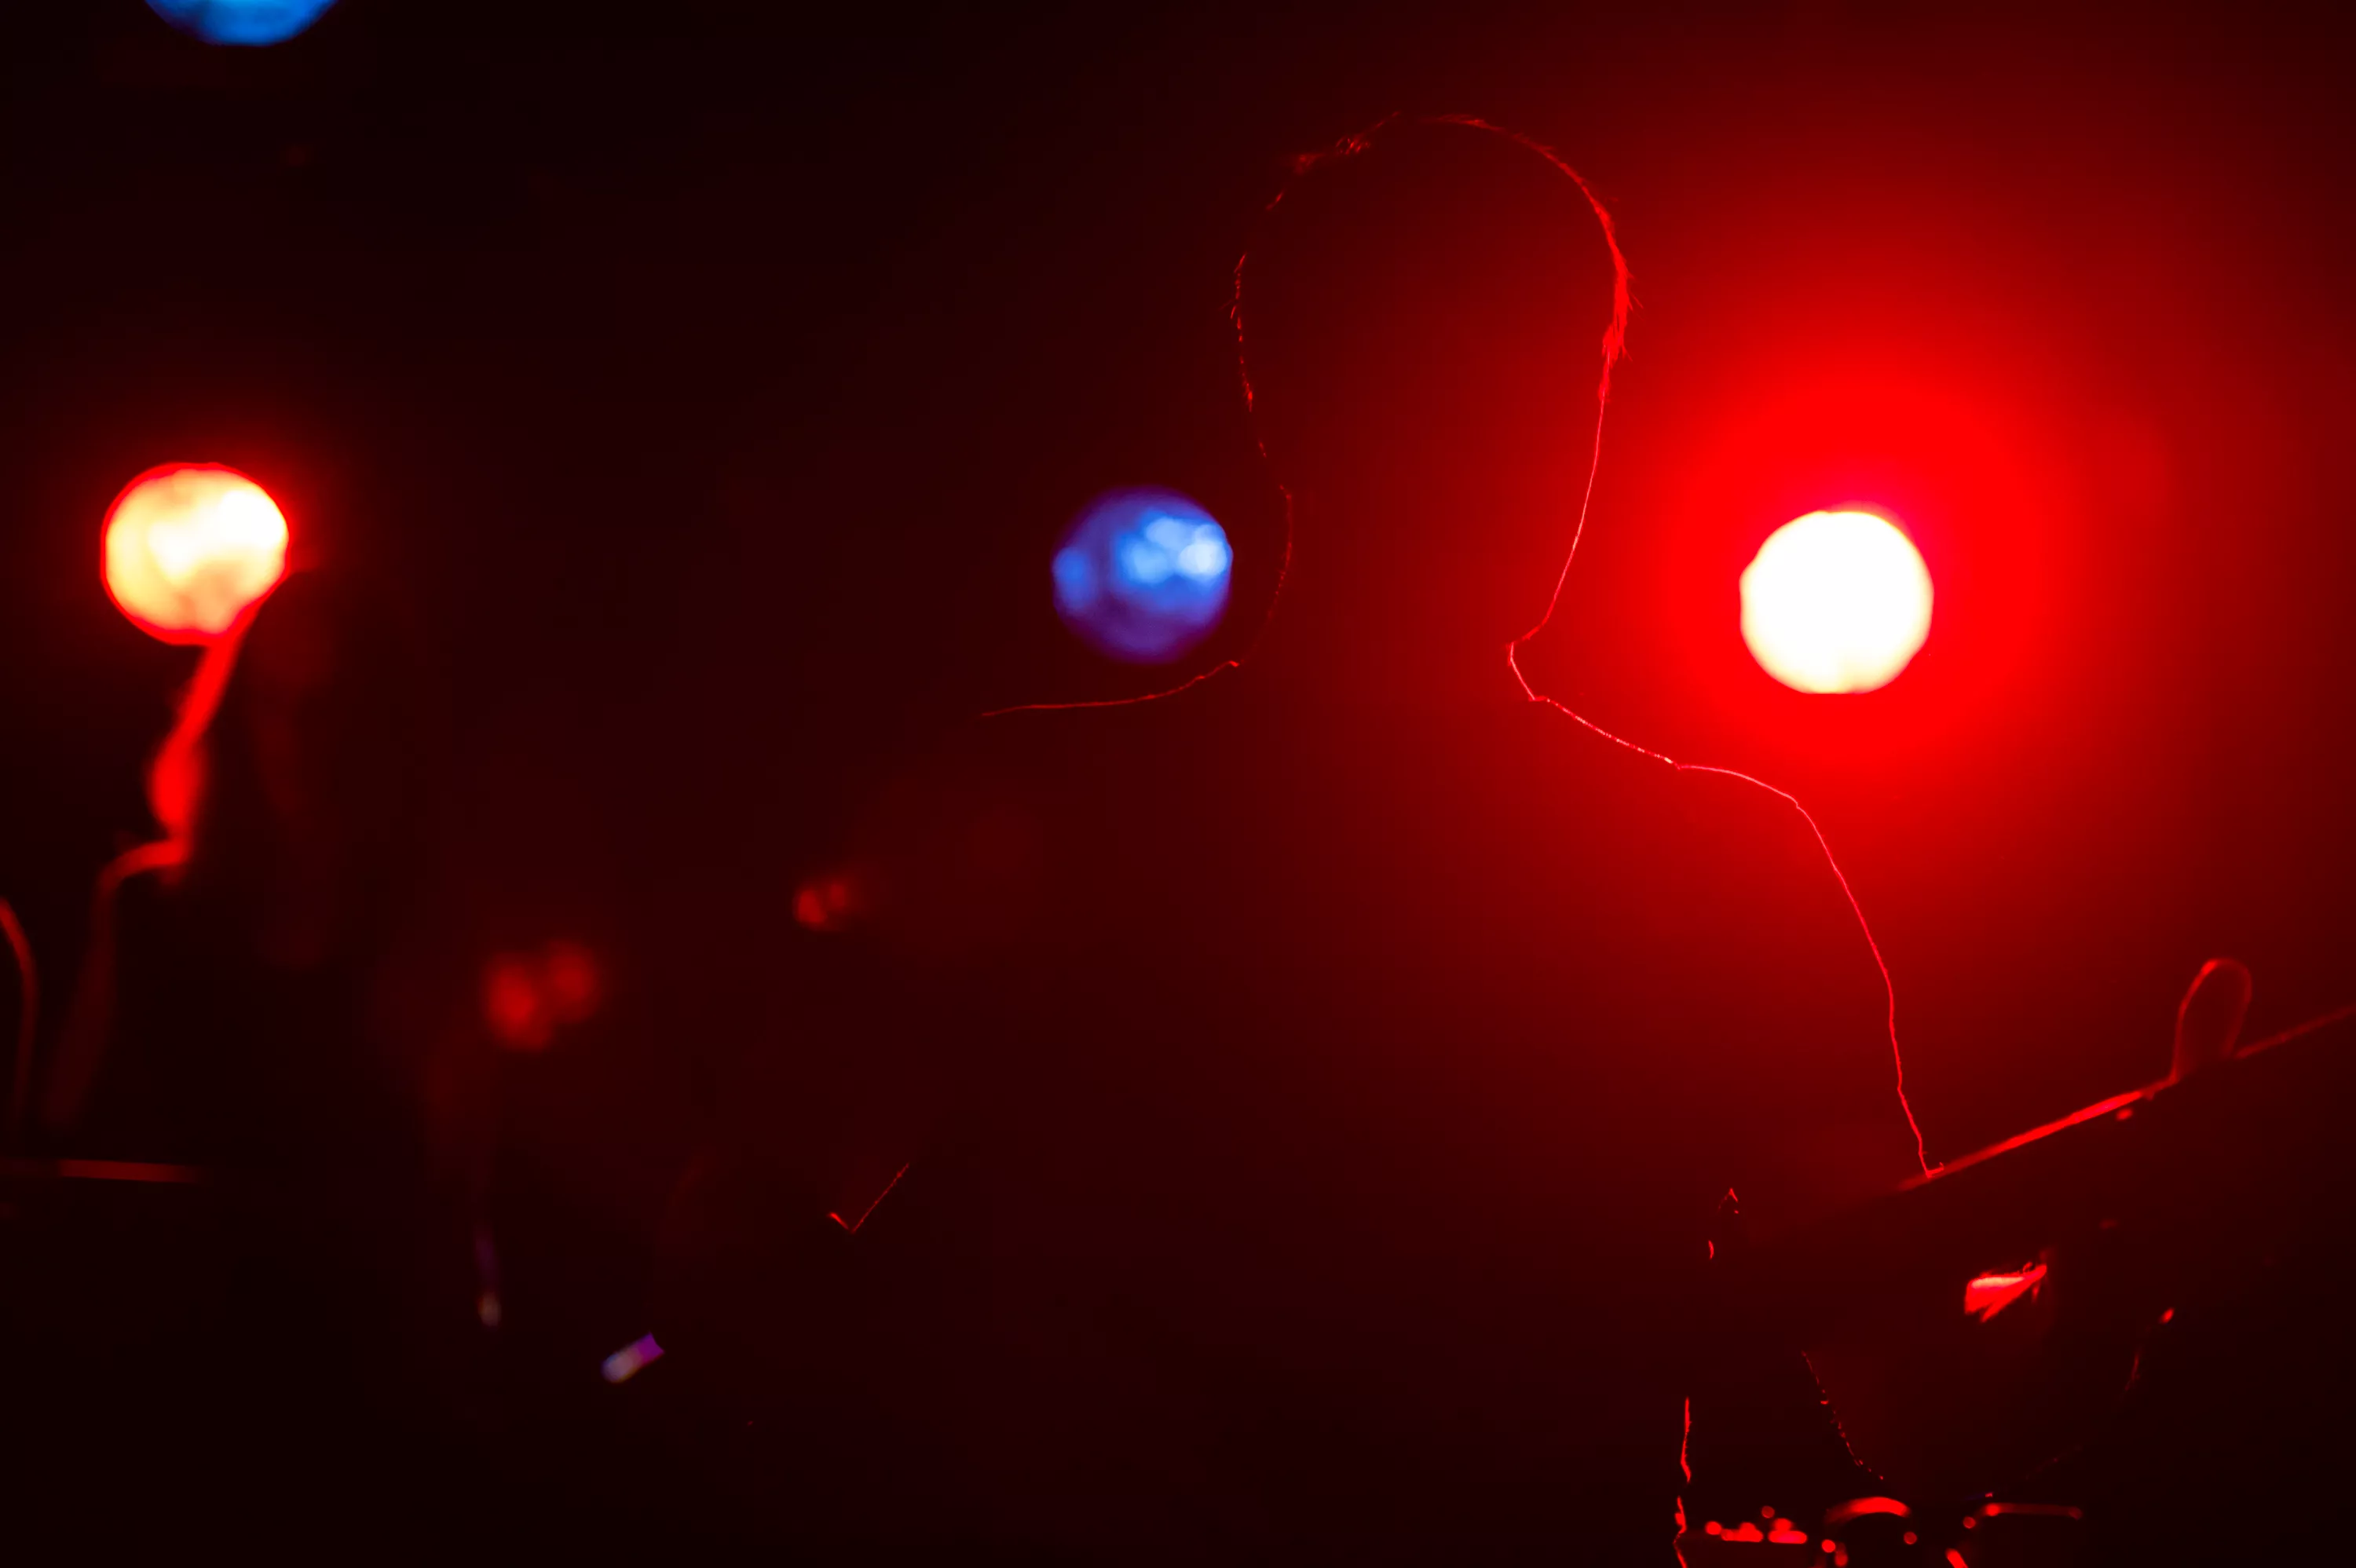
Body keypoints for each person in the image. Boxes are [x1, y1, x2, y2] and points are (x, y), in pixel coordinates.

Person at [663, 117, 1931, 1561]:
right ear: (1289, 408)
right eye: (1451, 377)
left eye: (1560, 375)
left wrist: (2097, 1287)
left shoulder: (1734, 867)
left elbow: (1917, 1391)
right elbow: (733, 1242)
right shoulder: (1023, 811)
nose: (1521, 443)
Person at [31, 569, 488, 1551]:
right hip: (160, 1389)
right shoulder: (146, 910)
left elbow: (459, 1195)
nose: (297, 739)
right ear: (235, 714)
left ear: (381, 726)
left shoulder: (435, 924)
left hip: (365, 1406)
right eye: (274, 703)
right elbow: (67, 1167)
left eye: (330, 707)